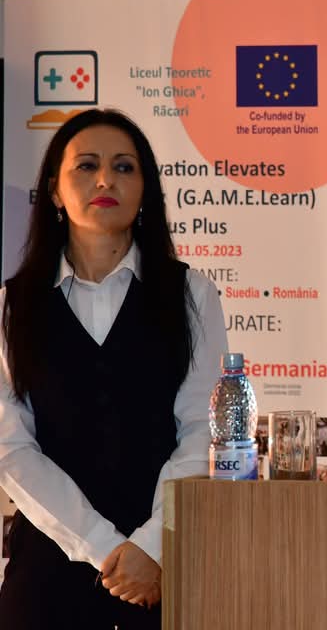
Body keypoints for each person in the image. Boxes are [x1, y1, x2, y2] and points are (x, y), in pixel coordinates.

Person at [0, 109, 228, 629]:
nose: (105, 179)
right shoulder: (13, 305)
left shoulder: (192, 294)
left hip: (167, 572)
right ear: (54, 191)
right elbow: (11, 448)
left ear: (145, 191)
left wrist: (152, 546)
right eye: (86, 166)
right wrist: (106, 547)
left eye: (124, 167)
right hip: (47, 576)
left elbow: (203, 431)